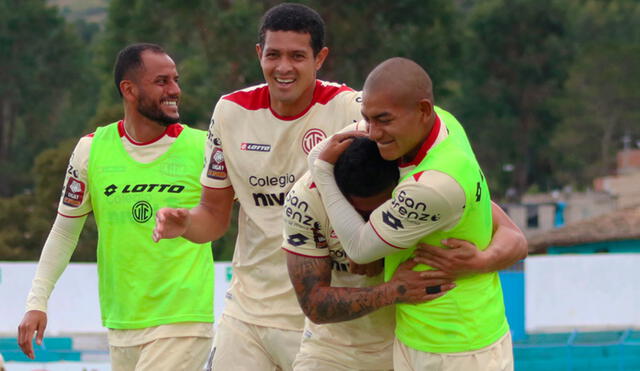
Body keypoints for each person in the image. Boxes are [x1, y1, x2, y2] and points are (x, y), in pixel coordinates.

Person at [152, 4, 363, 370]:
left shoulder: (350, 108)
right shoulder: (231, 112)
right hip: (247, 315)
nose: (284, 68)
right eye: (273, 55)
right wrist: (185, 223)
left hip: (321, 321)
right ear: (258, 55)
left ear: (320, 58)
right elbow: (214, 217)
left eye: (298, 56)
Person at [309, 57, 524, 370]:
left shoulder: (434, 184)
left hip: (458, 348)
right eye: (367, 119)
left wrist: (323, 173)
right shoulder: (445, 123)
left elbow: (359, 247)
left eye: (384, 120)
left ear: (423, 111)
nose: (373, 132)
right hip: (419, 337)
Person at [17, 43, 213, 371]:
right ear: (129, 89)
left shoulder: (203, 147)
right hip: (120, 323)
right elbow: (65, 231)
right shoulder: (90, 150)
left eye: (176, 80)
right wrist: (36, 302)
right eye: (162, 81)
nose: (175, 90)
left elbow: (254, 208)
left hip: (184, 320)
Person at [284, 137, 457, 370]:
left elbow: (511, 237)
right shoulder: (306, 198)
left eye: (381, 210)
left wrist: (484, 260)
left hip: (410, 346)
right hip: (331, 351)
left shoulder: (424, 186)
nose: (371, 225)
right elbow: (314, 303)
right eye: (363, 214)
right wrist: (391, 291)